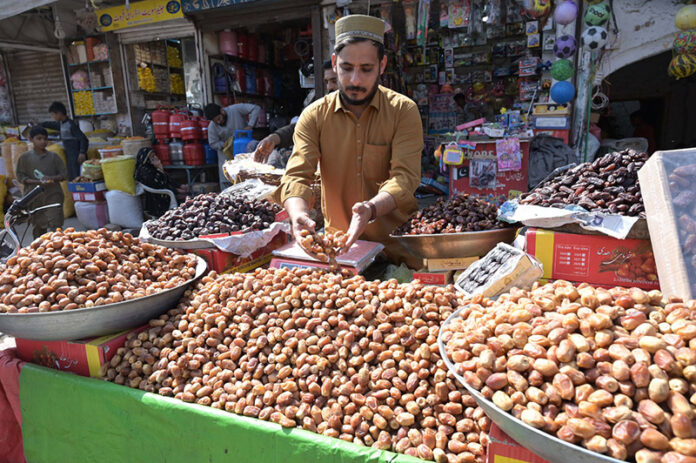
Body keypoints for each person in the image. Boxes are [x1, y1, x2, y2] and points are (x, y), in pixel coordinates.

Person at [275, 14, 424, 267]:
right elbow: (297, 176)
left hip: (398, 249)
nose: (355, 80)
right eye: (346, 68)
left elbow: (405, 178)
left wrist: (371, 209)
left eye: (366, 69)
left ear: (382, 65)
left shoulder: (403, 111)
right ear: (334, 63)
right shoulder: (314, 115)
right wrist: (298, 214)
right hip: (340, 251)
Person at [254, 61, 339, 164]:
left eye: (334, 81)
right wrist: (273, 138)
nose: (329, 87)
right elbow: (301, 127)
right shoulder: (324, 107)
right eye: (327, 82)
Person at [15, 126, 67, 239]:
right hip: (34, 197)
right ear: (31, 139)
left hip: (53, 195)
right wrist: (37, 181)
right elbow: (20, 177)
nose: (43, 142)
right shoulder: (24, 158)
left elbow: (64, 175)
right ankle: (40, 253)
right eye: (39, 139)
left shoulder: (54, 157)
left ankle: (59, 250)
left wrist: (51, 178)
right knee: (38, 227)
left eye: (45, 139)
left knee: (56, 225)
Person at [204, 102, 261, 189]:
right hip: (226, 160)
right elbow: (213, 143)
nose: (219, 122)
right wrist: (226, 145)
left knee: (248, 185)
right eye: (216, 121)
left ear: (222, 111)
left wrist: (250, 125)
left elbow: (256, 108)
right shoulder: (212, 127)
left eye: (219, 118)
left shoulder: (235, 109)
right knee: (227, 189)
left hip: (245, 156)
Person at [134, 148, 189, 218]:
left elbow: (167, 180)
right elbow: (158, 184)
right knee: (185, 195)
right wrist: (160, 168)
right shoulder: (144, 171)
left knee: (186, 192)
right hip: (157, 196)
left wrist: (179, 186)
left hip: (164, 190)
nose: (155, 158)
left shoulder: (152, 168)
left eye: (154, 155)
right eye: (152, 157)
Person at [40, 101, 89, 181]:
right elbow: (51, 124)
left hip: (76, 155)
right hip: (70, 156)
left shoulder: (71, 125)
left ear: (59, 113)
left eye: (53, 114)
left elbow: (83, 139)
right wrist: (40, 124)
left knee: (79, 177)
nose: (53, 117)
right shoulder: (62, 124)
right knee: (73, 177)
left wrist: (82, 152)